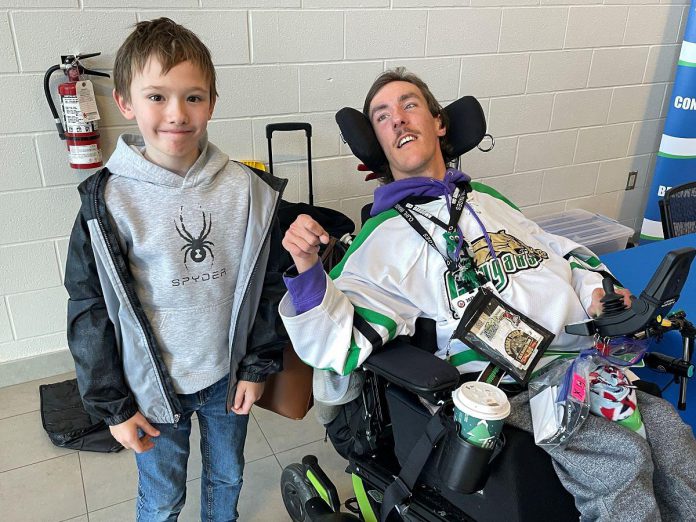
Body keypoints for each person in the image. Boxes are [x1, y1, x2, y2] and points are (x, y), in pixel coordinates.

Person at [279, 68, 696, 521]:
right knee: (620, 460)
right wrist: (306, 271)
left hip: (578, 363)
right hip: (508, 387)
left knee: (673, 438)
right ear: (377, 145)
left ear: (439, 123)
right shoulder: (381, 238)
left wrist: (600, 292)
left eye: (409, 104)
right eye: (382, 116)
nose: (398, 119)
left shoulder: (491, 202)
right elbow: (333, 343)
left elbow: (563, 255)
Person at [64, 18, 287, 521]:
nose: (177, 114)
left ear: (211, 101)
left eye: (193, 97)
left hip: (226, 377)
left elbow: (267, 285)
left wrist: (256, 367)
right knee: (163, 496)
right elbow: (89, 308)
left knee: (227, 476)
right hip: (152, 387)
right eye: (157, 96)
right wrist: (114, 407)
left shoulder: (247, 191)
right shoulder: (108, 200)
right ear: (125, 102)